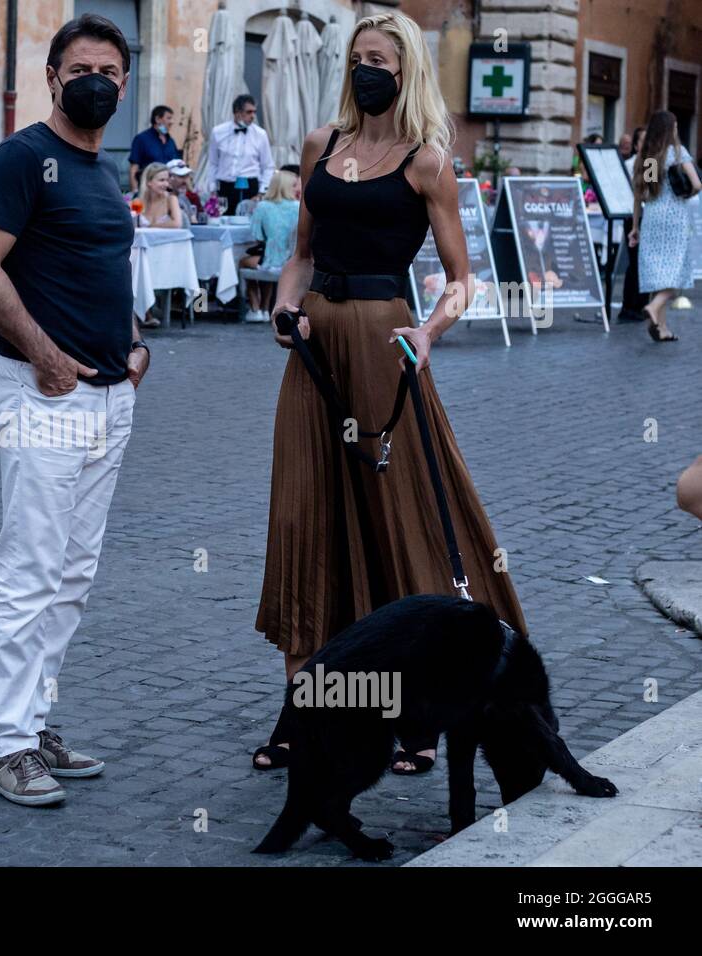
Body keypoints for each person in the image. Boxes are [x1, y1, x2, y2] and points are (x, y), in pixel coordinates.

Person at [251, 11, 526, 774]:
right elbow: (302, 256)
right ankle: (306, 710)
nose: (368, 69)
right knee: (305, 517)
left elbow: (464, 280)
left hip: (385, 346)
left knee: (396, 522)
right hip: (314, 349)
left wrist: (432, 330)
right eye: (359, 58)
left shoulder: (429, 163)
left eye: (383, 60)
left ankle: (421, 716)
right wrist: (285, 305)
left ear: (405, 73)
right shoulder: (320, 145)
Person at [0, 13, 149, 807]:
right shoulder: (20, 157)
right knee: (31, 571)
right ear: (52, 77)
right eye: (80, 69)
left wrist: (137, 348)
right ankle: (4, 745)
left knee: (73, 574)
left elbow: (102, 267)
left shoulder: (105, 172)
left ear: (125, 82)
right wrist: (40, 351)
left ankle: (34, 725)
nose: (95, 80)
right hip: (44, 394)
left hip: (109, 395)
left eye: (108, 68)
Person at [628, 110, 700, 342]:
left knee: (658, 272)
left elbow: (645, 193)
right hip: (675, 218)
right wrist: (686, 192)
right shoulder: (677, 153)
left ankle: (661, 327)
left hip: (652, 218)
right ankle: (655, 305)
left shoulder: (650, 157)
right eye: (676, 126)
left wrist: (635, 227)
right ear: (670, 130)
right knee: (678, 271)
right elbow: (697, 184)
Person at [240, 166, 300, 322]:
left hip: (271, 260)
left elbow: (257, 237)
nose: (297, 188)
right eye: (294, 185)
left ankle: (255, 306)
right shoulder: (298, 207)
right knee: (263, 262)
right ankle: (265, 308)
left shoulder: (263, 206)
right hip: (292, 262)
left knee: (243, 262)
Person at [203, 93, 274, 213]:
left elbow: (268, 166)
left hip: (250, 188)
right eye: (249, 112)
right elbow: (213, 163)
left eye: (254, 112)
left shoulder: (260, 134)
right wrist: (212, 188)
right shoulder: (218, 132)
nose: (253, 116)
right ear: (237, 112)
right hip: (225, 187)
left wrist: (262, 192)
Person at [618, 125, 650, 322]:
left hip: (646, 215)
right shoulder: (633, 164)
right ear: (637, 146)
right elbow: (647, 193)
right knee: (636, 263)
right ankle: (630, 306)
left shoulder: (652, 163)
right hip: (635, 216)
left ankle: (641, 305)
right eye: (644, 141)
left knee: (644, 262)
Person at [128, 104, 180, 193]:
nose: (172, 122)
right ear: (157, 119)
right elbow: (134, 167)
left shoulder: (171, 141)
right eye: (168, 118)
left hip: (167, 190)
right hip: (147, 190)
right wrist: (134, 191)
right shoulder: (141, 139)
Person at [136, 161, 181, 228]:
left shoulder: (171, 200)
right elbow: (132, 226)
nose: (166, 184)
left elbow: (177, 224)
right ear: (149, 182)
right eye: (162, 180)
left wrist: (150, 226)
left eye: (167, 180)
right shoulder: (138, 202)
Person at [166, 158, 199, 222]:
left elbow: (194, 222)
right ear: (169, 178)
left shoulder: (184, 198)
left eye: (187, 176)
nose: (185, 181)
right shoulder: (163, 199)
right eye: (181, 176)